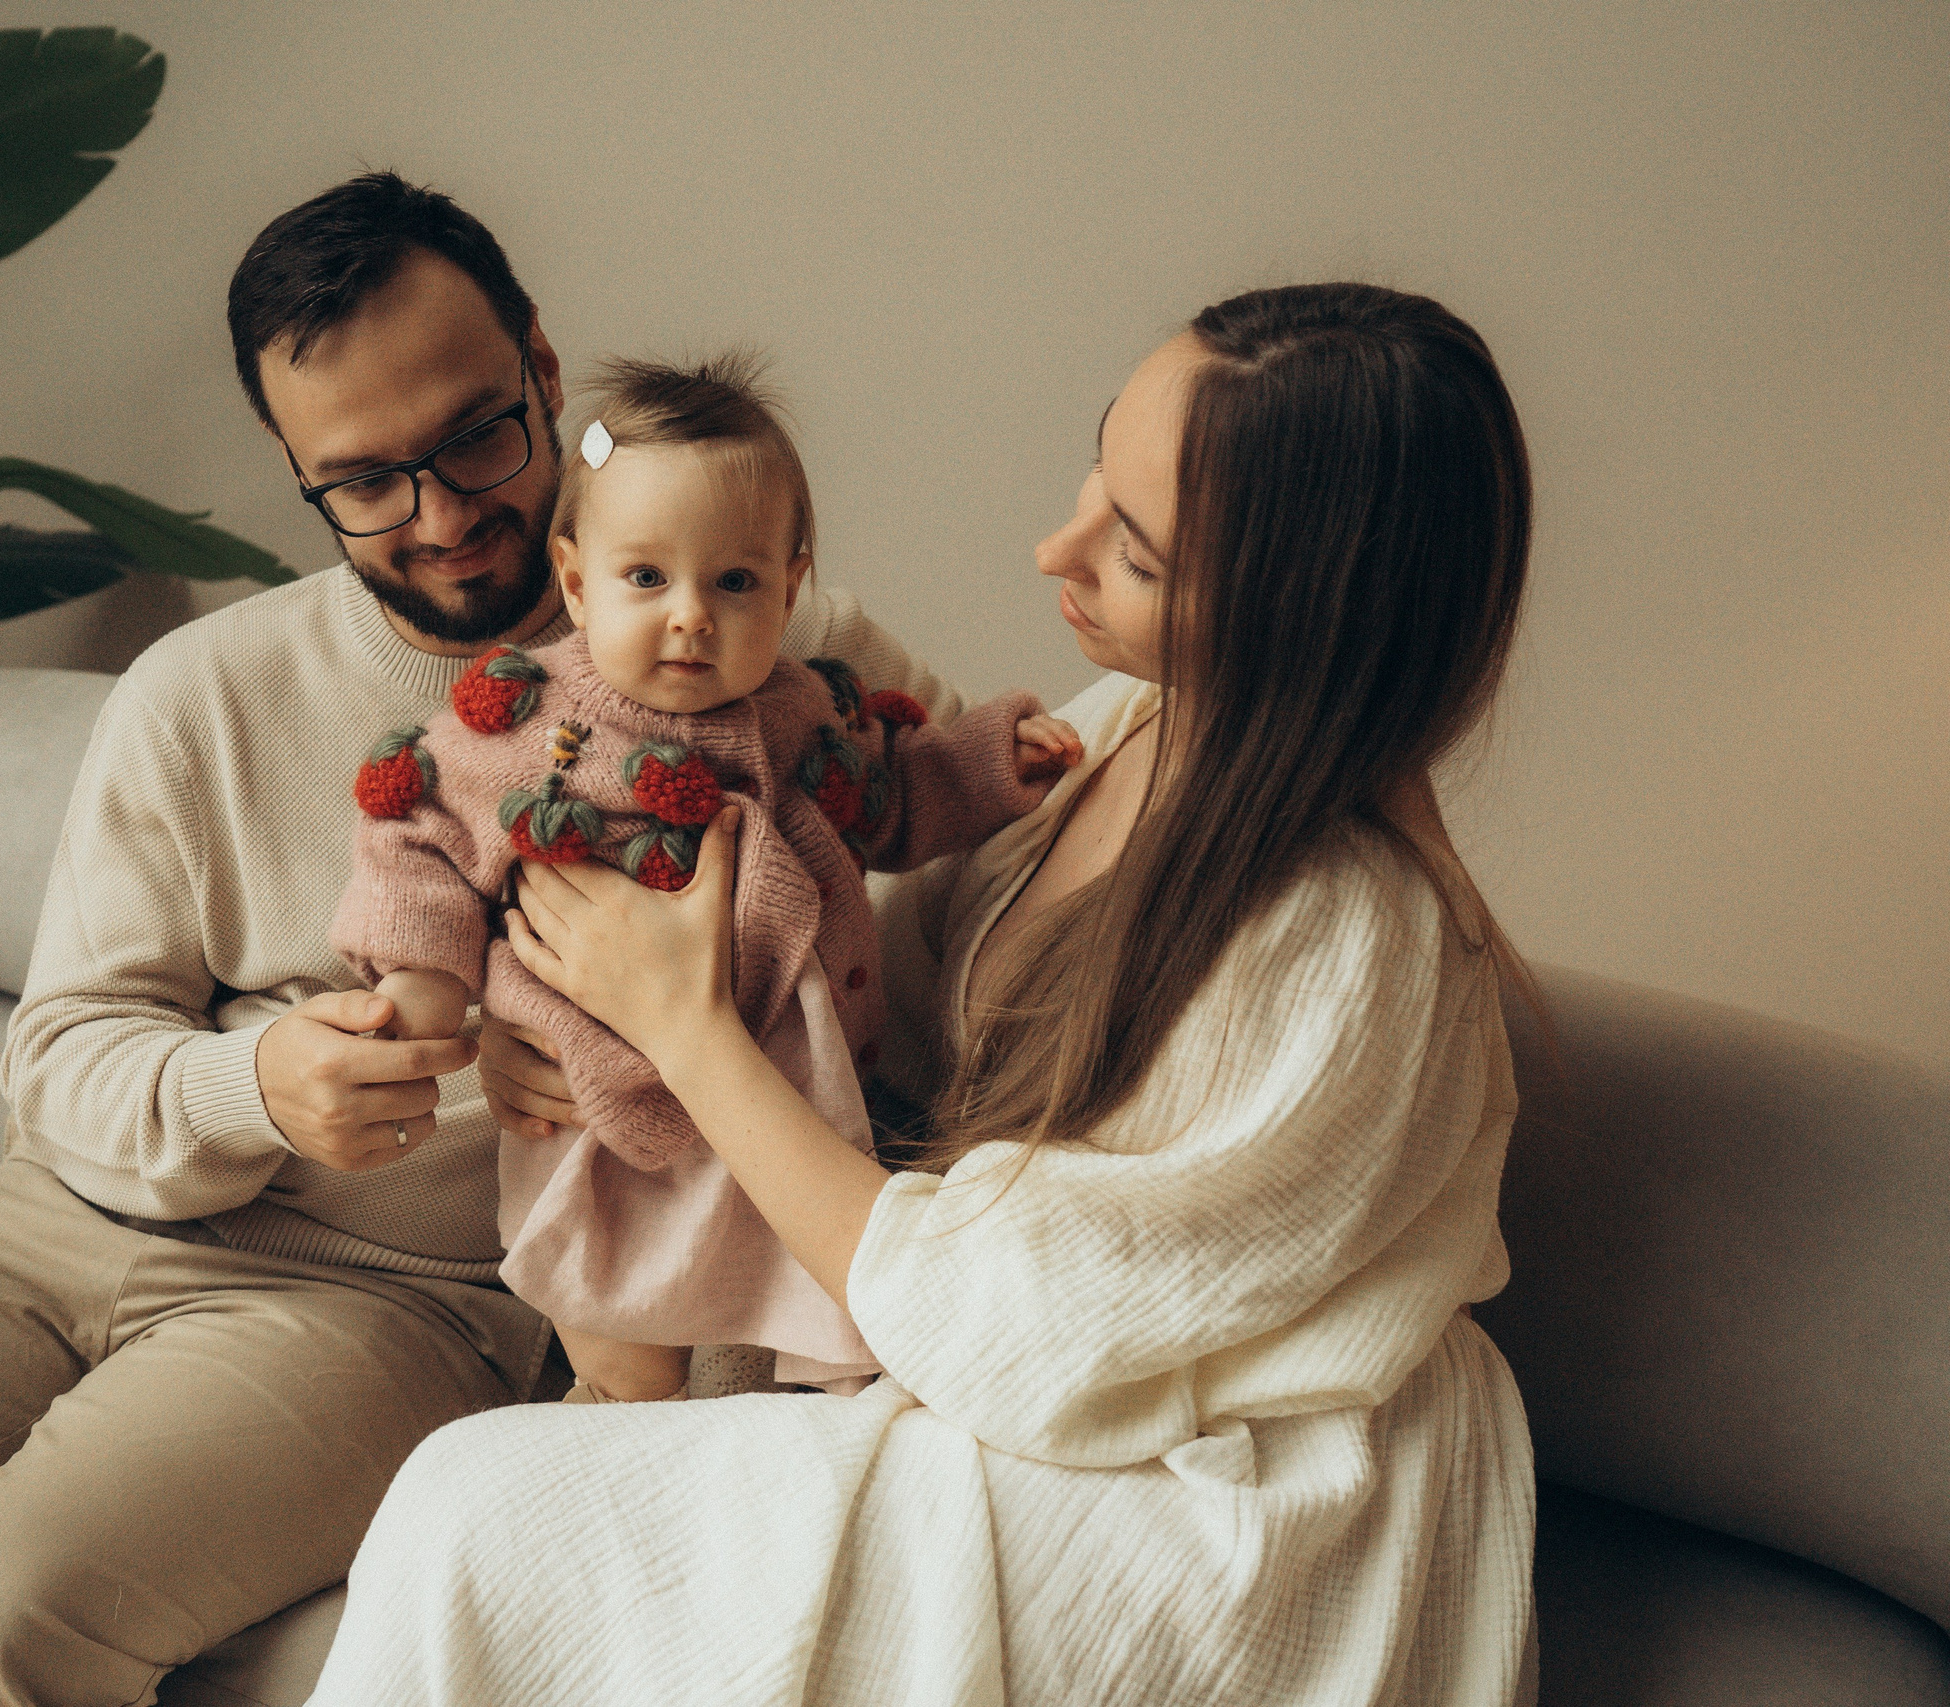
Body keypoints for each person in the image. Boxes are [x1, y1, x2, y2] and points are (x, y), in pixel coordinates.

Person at [0, 172, 952, 1706]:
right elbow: (59, 1053)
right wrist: (257, 1082)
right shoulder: (199, 693)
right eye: (367, 479)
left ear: (541, 363)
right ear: (296, 467)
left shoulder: (773, 650)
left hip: (388, 1296)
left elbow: (970, 840)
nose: (442, 515)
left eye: (475, 436)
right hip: (58, 1218)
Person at [306, 281, 1542, 1706]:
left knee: (483, 1506)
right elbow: (853, 987)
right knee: (486, 1494)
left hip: (1216, 1483)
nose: (1054, 547)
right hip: (1017, 1345)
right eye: (1099, 472)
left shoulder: (1347, 936)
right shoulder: (1127, 726)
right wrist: (565, 1031)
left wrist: (684, 1032)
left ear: (1295, 615)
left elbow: (1024, 1315)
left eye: (1132, 550)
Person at [330, 353, 1080, 1404]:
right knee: (622, 1331)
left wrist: (991, 765)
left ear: (791, 584)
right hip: (600, 1108)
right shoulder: (522, 725)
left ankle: (787, 1438)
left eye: (734, 582)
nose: (691, 616)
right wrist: (428, 986)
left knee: (815, 1309)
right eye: (647, 578)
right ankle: (618, 1415)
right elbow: (417, 833)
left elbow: (890, 799)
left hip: (783, 1091)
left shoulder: (806, 710)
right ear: (577, 581)